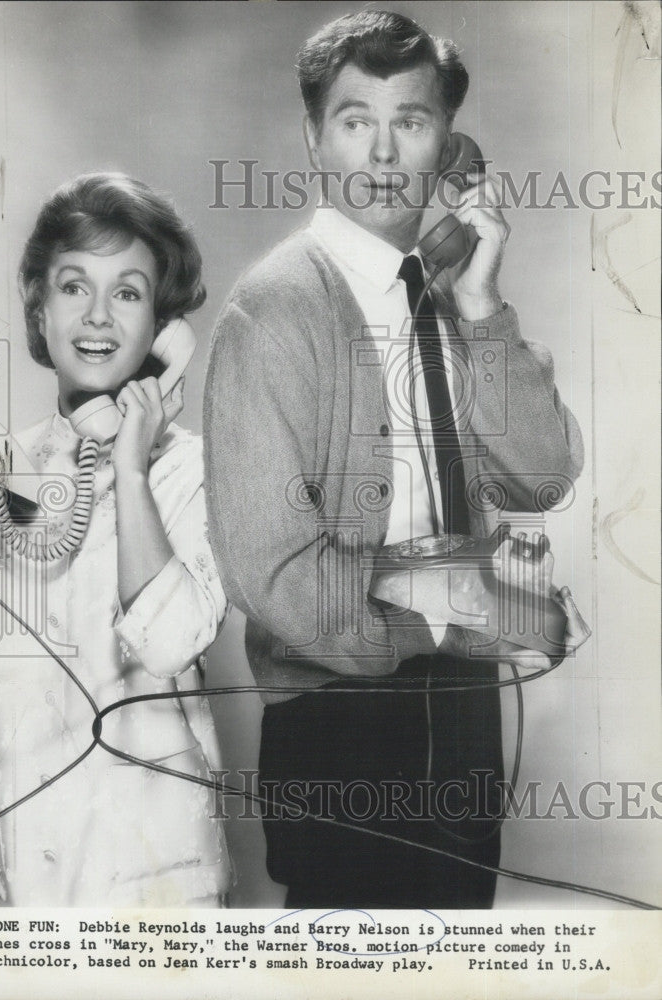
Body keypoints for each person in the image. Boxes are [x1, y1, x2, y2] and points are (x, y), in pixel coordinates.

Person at [204, 11, 584, 908]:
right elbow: (277, 579)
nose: (382, 152)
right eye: (353, 119)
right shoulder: (273, 312)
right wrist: (460, 605)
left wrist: (484, 304)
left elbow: (543, 474)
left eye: (409, 122)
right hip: (340, 732)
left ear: (447, 146)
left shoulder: (456, 302)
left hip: (465, 724)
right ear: (313, 137)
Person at [0, 173, 231, 907]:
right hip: (21, 864)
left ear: (163, 325)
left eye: (127, 293)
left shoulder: (196, 468)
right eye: (74, 287)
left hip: (152, 878)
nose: (97, 316)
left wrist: (129, 464)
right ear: (39, 306)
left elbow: (167, 642)